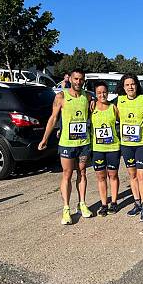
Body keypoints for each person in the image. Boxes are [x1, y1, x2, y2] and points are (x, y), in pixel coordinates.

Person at [38, 68, 93, 225]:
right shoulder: (61, 96)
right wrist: (44, 139)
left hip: (83, 143)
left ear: (84, 80)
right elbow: (53, 118)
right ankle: (66, 208)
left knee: (82, 173)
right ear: (70, 79)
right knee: (67, 174)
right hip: (67, 144)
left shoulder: (88, 97)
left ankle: (82, 203)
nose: (78, 82)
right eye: (76, 79)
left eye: (81, 79)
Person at [113, 74, 143, 222]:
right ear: (123, 87)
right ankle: (136, 203)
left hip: (141, 144)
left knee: (141, 176)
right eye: (127, 84)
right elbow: (102, 104)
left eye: (133, 84)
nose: (130, 87)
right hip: (126, 145)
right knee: (132, 176)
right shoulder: (119, 100)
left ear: (137, 85)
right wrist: (92, 101)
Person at [91, 80, 120, 216]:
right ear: (95, 94)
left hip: (113, 147)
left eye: (104, 92)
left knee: (113, 175)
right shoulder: (91, 107)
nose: (102, 95)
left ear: (108, 93)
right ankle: (104, 203)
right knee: (101, 177)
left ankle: (113, 202)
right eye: (99, 93)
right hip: (98, 149)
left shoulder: (113, 107)